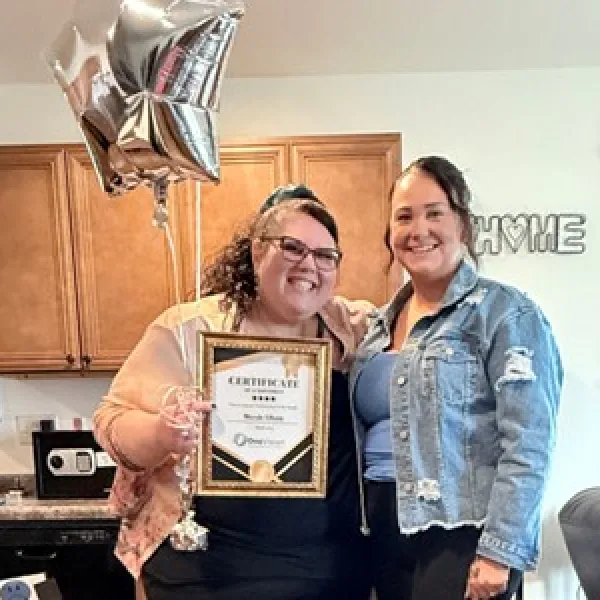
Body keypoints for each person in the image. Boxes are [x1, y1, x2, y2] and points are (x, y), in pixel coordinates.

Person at [93, 184, 374, 600]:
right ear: (257, 252)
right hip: (203, 573)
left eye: (324, 255)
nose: (308, 265)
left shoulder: (355, 329)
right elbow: (112, 424)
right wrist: (161, 434)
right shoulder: (189, 330)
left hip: (328, 574)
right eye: (292, 247)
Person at [349, 156, 563, 600]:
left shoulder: (505, 313)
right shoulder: (377, 327)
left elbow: (528, 442)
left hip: (462, 534)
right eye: (404, 216)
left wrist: (500, 551)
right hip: (382, 529)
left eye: (434, 212)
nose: (418, 229)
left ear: (462, 225)